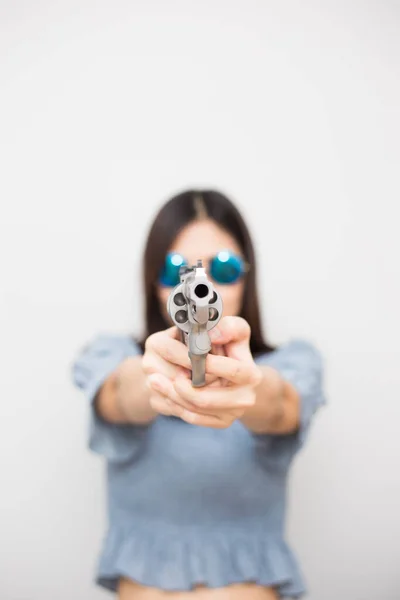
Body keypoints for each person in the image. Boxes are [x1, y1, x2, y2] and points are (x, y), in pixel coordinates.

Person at [70, 189, 326, 600]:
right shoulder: (114, 355)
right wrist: (159, 372)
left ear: (247, 272)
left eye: (223, 267)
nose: (202, 283)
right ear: (154, 281)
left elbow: (280, 404)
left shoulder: (294, 361)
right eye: (178, 269)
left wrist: (247, 384)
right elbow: (118, 393)